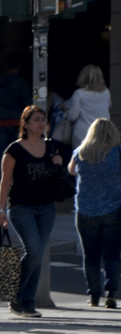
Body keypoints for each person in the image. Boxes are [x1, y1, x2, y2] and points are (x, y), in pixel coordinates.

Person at [0, 105, 70, 317]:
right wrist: (0, 209)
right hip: (22, 208)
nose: (41, 123)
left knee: (37, 255)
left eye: (43, 120)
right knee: (35, 251)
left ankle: (26, 303)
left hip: (46, 208)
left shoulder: (51, 147)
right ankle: (17, 295)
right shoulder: (14, 150)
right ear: (26, 124)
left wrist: (58, 164)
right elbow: (5, 181)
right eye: (36, 119)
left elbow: (60, 175)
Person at [67, 118, 121, 308]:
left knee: (90, 255)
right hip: (113, 209)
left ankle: (94, 295)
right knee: (112, 254)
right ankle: (112, 293)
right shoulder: (118, 152)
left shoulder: (81, 152)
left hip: (85, 210)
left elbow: (71, 171)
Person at [0, 54, 32, 182]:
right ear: (19, 67)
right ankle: (20, 179)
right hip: (16, 122)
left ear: (4, 66)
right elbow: (27, 104)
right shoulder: (21, 83)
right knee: (19, 153)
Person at [66, 64, 111, 149]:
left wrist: (66, 111)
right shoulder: (106, 93)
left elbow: (73, 117)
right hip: (102, 135)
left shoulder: (79, 93)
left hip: (82, 136)